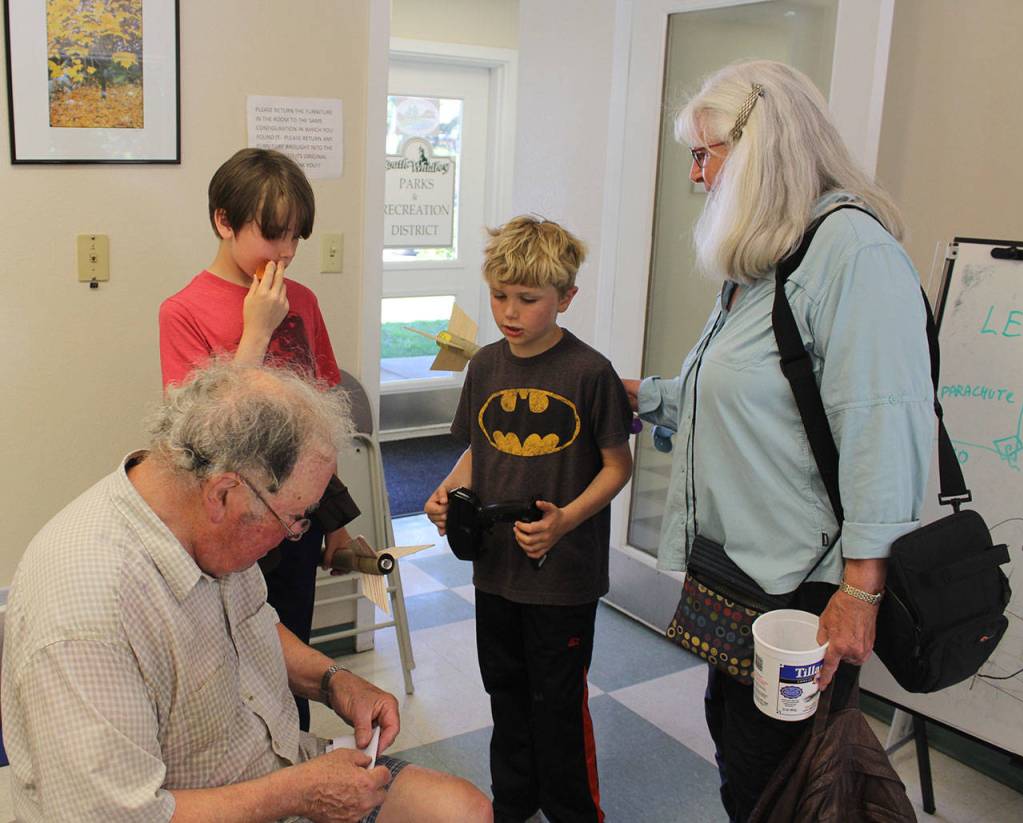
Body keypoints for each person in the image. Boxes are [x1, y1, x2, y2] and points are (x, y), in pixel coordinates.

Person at [623, 60, 934, 822]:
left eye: (706, 154)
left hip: (806, 587)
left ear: (759, 144)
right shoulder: (764, 262)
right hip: (743, 575)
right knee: (742, 759)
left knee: (787, 789)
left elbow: (883, 433)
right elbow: (749, 399)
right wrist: (645, 397)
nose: (697, 176)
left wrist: (859, 591)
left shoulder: (852, 255)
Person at [0, 361, 492, 823]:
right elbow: (115, 816)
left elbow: (254, 626)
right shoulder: (87, 613)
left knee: (463, 810)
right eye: (296, 518)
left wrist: (334, 680)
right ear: (224, 494)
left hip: (271, 771)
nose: (297, 533)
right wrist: (296, 793)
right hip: (203, 806)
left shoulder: (202, 520)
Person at [425, 216, 634, 823]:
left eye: (527, 299)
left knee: (558, 704)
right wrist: (446, 492)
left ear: (566, 298)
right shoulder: (485, 365)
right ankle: (512, 805)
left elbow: (617, 466)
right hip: (496, 571)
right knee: (507, 697)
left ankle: (571, 811)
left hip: (562, 576)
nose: (509, 312)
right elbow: (477, 451)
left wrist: (565, 520)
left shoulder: (590, 374)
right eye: (499, 296)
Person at [159, 148, 358, 731]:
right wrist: (257, 329)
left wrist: (333, 519)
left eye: (296, 237)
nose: (287, 253)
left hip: (293, 521)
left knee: (288, 649)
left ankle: (291, 770)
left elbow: (319, 425)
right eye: (273, 236)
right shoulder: (184, 311)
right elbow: (197, 434)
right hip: (222, 520)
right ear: (225, 221)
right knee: (225, 662)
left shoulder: (306, 302)